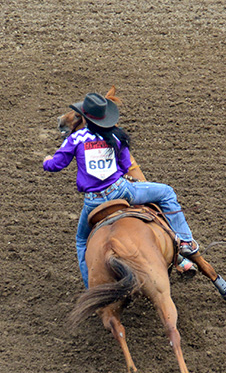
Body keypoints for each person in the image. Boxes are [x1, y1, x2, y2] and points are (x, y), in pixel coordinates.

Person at [42, 91, 200, 286]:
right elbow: (126, 166)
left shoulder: (76, 139)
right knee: (166, 192)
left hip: (94, 201)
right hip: (121, 191)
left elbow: (55, 165)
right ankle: (184, 242)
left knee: (82, 241)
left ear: (84, 117)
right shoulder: (115, 136)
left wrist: (47, 160)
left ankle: (91, 287)